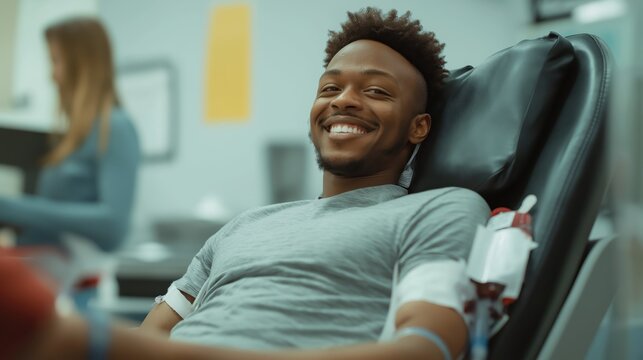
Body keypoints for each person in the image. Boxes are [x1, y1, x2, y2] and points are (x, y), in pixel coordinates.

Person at [0, 8, 489, 360]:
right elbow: (153, 337)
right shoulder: (246, 225)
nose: (345, 101)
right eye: (330, 88)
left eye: (377, 91)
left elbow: (428, 346)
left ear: (419, 126)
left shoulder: (442, 209)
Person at [0, 17, 139, 252]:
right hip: (45, 267)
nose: (52, 76)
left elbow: (114, 224)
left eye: (56, 61)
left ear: (81, 65)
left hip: (75, 280)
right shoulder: (72, 137)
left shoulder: (116, 127)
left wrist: (10, 207)